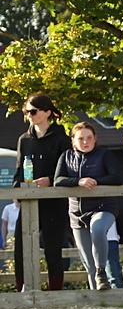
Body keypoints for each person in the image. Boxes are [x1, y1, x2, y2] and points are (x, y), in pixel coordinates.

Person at [54, 121, 123, 290]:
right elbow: (58, 180)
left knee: (98, 228)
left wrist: (94, 182)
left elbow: (117, 178)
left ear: (95, 139)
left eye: (89, 138)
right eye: (81, 139)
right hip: (77, 212)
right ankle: (97, 302)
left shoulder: (104, 155)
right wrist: (78, 181)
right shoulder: (66, 156)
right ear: (73, 140)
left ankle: (102, 271)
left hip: (103, 206)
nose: (85, 142)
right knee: (88, 262)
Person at [13, 93, 72, 290]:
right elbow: (19, 169)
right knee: (21, 246)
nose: (29, 115)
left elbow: (66, 171)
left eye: (33, 111)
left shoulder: (62, 139)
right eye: (26, 111)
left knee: (52, 247)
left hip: (53, 201)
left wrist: (51, 181)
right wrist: (17, 191)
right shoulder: (24, 139)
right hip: (29, 198)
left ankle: (55, 289)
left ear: (47, 112)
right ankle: (22, 288)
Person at [1, 200, 17, 273]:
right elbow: (4, 224)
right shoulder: (8, 208)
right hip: (11, 235)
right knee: (10, 258)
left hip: (23, 234)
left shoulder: (25, 207)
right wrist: (4, 240)